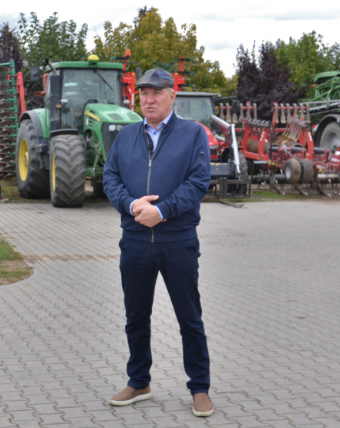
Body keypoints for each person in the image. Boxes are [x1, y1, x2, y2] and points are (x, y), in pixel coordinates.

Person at [103, 68, 214, 417]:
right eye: (144, 93)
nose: (148, 99)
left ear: (171, 97)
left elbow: (198, 182)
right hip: (135, 240)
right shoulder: (126, 136)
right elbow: (111, 177)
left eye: (156, 93)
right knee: (136, 316)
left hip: (177, 241)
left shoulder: (193, 134)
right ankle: (139, 381)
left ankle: (199, 388)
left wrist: (162, 211)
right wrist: (132, 204)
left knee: (189, 318)